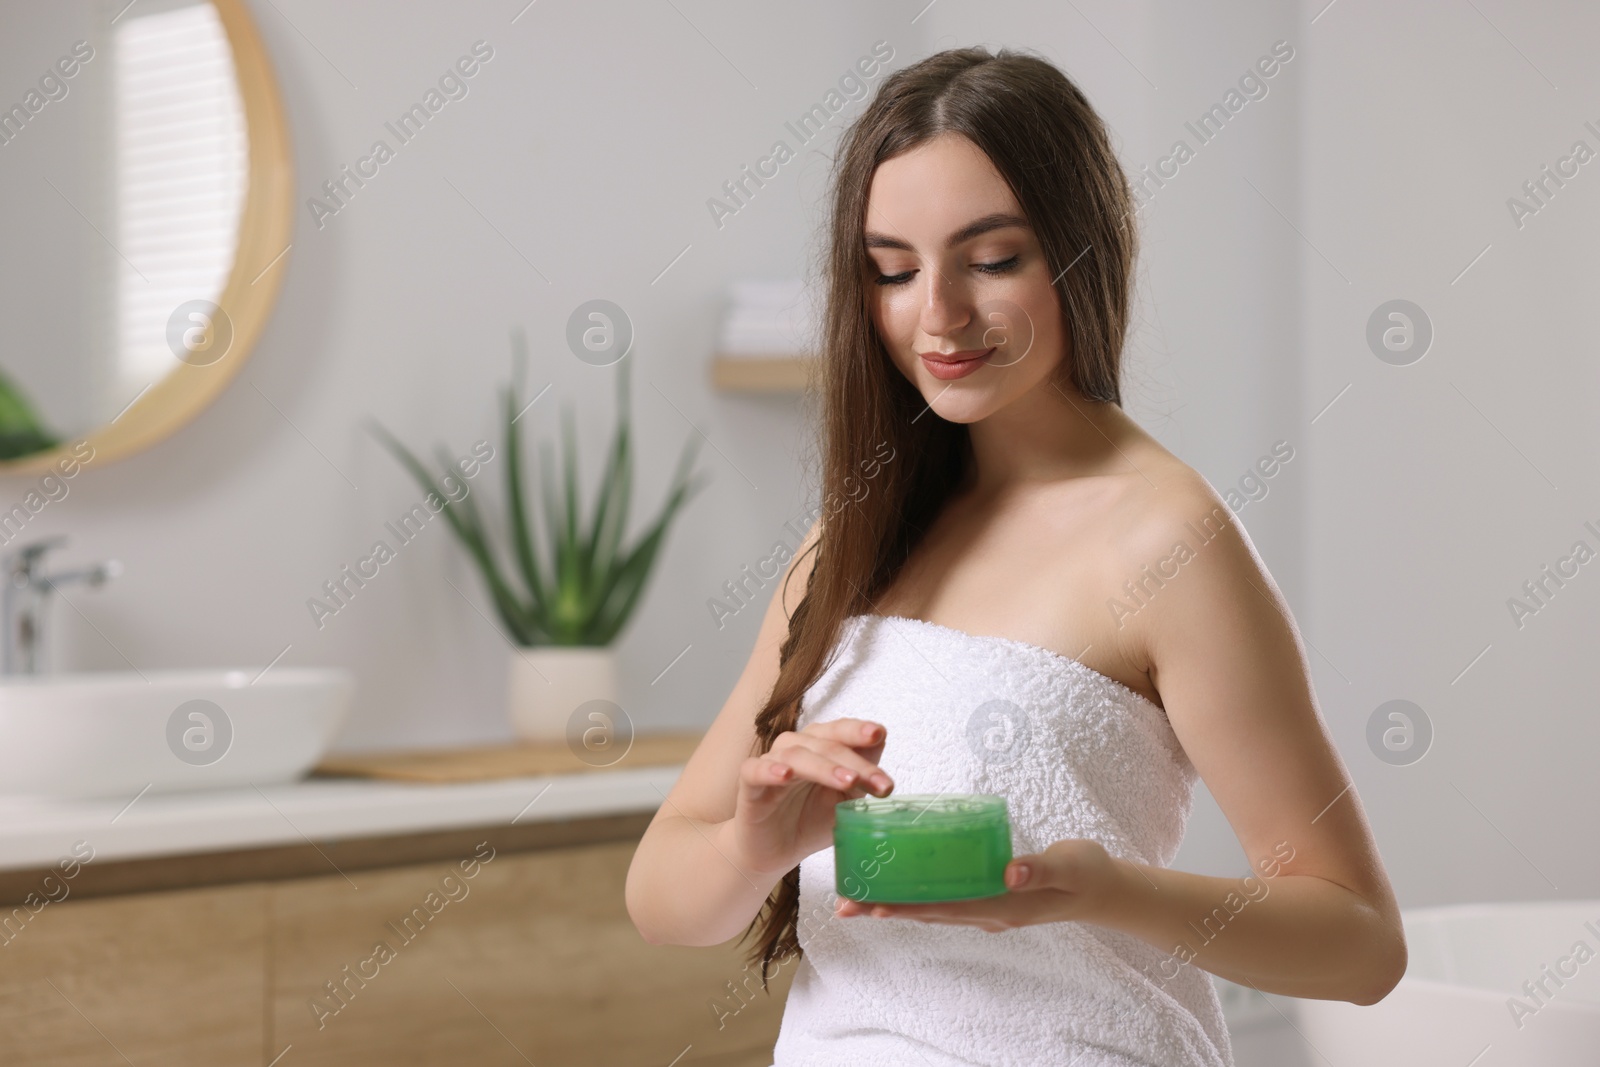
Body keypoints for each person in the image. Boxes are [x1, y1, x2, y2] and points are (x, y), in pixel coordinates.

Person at [625, 45, 1405, 1067]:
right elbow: (661, 896)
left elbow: (1359, 942)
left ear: (1081, 252)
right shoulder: (852, 539)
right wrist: (754, 845)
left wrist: (1105, 890)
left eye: (991, 260)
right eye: (893, 270)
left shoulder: (1166, 540)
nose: (936, 314)